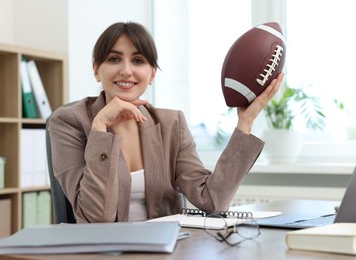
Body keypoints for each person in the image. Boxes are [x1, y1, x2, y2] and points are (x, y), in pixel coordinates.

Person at [48, 21, 284, 223]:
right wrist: (99, 130)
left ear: (152, 74)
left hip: (168, 250)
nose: (126, 70)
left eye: (138, 61)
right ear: (96, 70)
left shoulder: (172, 124)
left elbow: (212, 200)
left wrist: (245, 121)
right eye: (114, 59)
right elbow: (95, 219)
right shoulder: (68, 122)